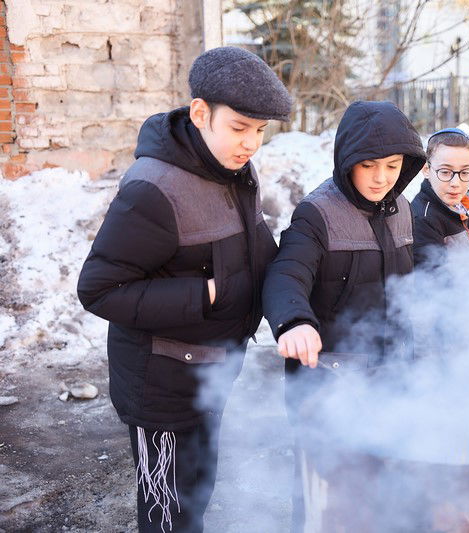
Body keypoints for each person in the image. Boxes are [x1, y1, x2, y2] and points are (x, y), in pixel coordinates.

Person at [76, 46, 290, 532]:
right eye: (239, 128)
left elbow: (250, 246)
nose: (250, 143)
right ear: (200, 114)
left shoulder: (234, 172)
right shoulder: (154, 188)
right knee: (166, 510)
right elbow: (100, 290)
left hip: (210, 374)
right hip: (160, 386)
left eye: (260, 131)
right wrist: (206, 295)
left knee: (197, 492)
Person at [261, 99, 425, 531]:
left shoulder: (401, 209)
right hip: (329, 385)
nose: (381, 177)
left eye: (392, 165)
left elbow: (411, 288)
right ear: (346, 160)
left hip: (392, 383)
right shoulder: (318, 214)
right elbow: (286, 275)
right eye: (369, 164)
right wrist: (294, 321)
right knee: (326, 505)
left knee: (385, 498)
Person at [411, 127, 469, 266]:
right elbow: (434, 282)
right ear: (426, 170)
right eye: (445, 172)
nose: (455, 183)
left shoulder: (455, 203)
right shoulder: (423, 220)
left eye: (465, 172)